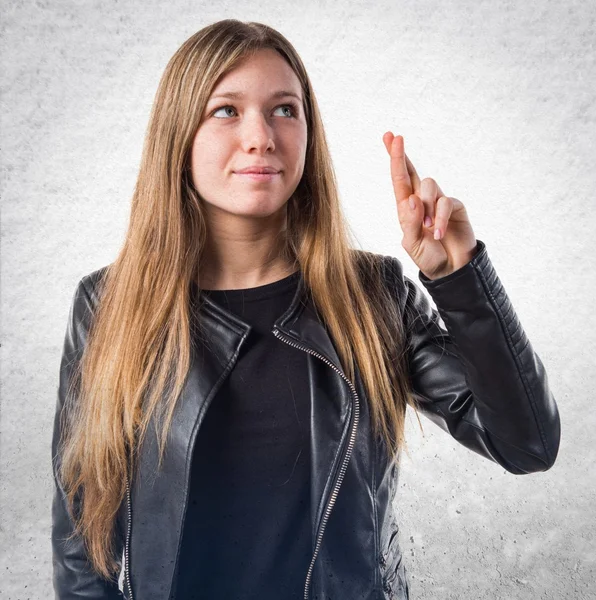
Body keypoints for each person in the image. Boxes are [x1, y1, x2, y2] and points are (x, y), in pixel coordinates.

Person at [51, 19, 561, 600]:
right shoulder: (108, 306)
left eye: (284, 110)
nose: (261, 136)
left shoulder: (373, 296)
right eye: (226, 110)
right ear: (178, 134)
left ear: (308, 134)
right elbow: (80, 543)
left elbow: (528, 445)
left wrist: (458, 277)